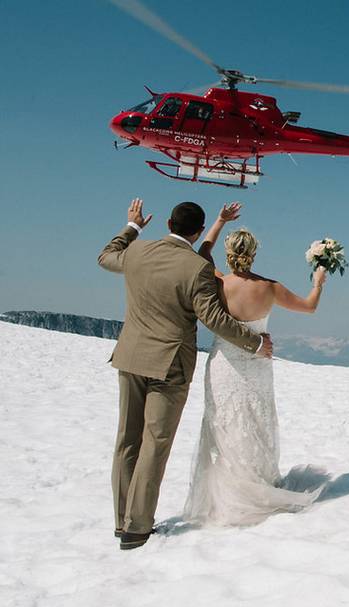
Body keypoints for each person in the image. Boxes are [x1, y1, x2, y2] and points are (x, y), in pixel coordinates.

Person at [98, 198, 273, 551]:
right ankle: (137, 528)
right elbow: (215, 319)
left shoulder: (136, 252)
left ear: (167, 224)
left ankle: (122, 522)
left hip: (130, 358)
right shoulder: (197, 268)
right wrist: (255, 343)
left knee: (127, 441)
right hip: (170, 365)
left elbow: (106, 256)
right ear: (196, 231)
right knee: (154, 443)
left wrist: (132, 226)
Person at [182, 202, 328, 527]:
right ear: (254, 254)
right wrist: (319, 281)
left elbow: (202, 251)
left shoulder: (218, 282)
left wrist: (220, 220)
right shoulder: (270, 287)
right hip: (258, 365)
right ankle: (259, 487)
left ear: (230, 253)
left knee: (226, 425)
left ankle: (229, 495)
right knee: (257, 423)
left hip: (224, 365)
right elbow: (309, 307)